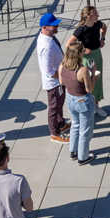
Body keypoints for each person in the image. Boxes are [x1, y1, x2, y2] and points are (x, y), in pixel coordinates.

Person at [58, 38, 97, 165]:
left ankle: (73, 151)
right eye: (82, 50)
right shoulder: (82, 70)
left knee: (75, 125)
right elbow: (90, 89)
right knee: (85, 131)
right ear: (79, 54)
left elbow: (62, 82)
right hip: (83, 101)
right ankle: (83, 157)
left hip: (70, 98)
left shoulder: (62, 66)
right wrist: (93, 75)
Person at [35, 11, 67, 145]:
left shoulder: (49, 38)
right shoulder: (46, 47)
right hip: (54, 83)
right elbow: (48, 72)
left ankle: (60, 124)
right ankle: (55, 133)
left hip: (58, 81)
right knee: (54, 108)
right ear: (44, 27)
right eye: (53, 25)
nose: (57, 27)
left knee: (59, 104)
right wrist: (63, 77)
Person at [73, 5, 108, 115]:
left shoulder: (97, 24)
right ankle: (87, 106)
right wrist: (83, 49)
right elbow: (69, 44)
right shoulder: (81, 29)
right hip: (85, 59)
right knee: (86, 81)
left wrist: (102, 38)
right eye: (96, 13)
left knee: (97, 79)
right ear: (89, 16)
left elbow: (104, 27)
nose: (98, 15)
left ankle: (96, 106)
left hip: (97, 54)